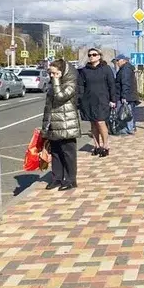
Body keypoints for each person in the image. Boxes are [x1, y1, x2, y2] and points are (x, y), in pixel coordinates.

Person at [42, 59, 80, 190]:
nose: (52, 76)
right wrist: (45, 126)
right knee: (56, 153)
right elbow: (48, 107)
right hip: (53, 123)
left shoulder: (71, 84)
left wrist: (56, 81)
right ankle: (57, 178)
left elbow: (60, 97)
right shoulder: (53, 84)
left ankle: (71, 180)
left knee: (68, 154)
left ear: (63, 72)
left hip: (66, 124)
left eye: (55, 73)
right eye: (50, 73)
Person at [77, 47, 116, 156]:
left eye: (94, 54)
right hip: (88, 100)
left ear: (99, 56)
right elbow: (81, 86)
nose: (91, 57)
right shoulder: (85, 70)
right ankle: (97, 146)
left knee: (100, 122)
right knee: (93, 123)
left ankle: (105, 145)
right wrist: (79, 99)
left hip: (102, 100)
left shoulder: (106, 69)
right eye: (89, 55)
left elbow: (111, 85)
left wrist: (113, 99)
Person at [112, 53, 139, 134]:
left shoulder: (125, 69)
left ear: (123, 60)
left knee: (126, 112)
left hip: (127, 95)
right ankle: (131, 127)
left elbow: (125, 83)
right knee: (128, 112)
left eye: (118, 60)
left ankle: (129, 129)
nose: (117, 62)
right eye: (116, 61)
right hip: (130, 95)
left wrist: (124, 96)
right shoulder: (125, 68)